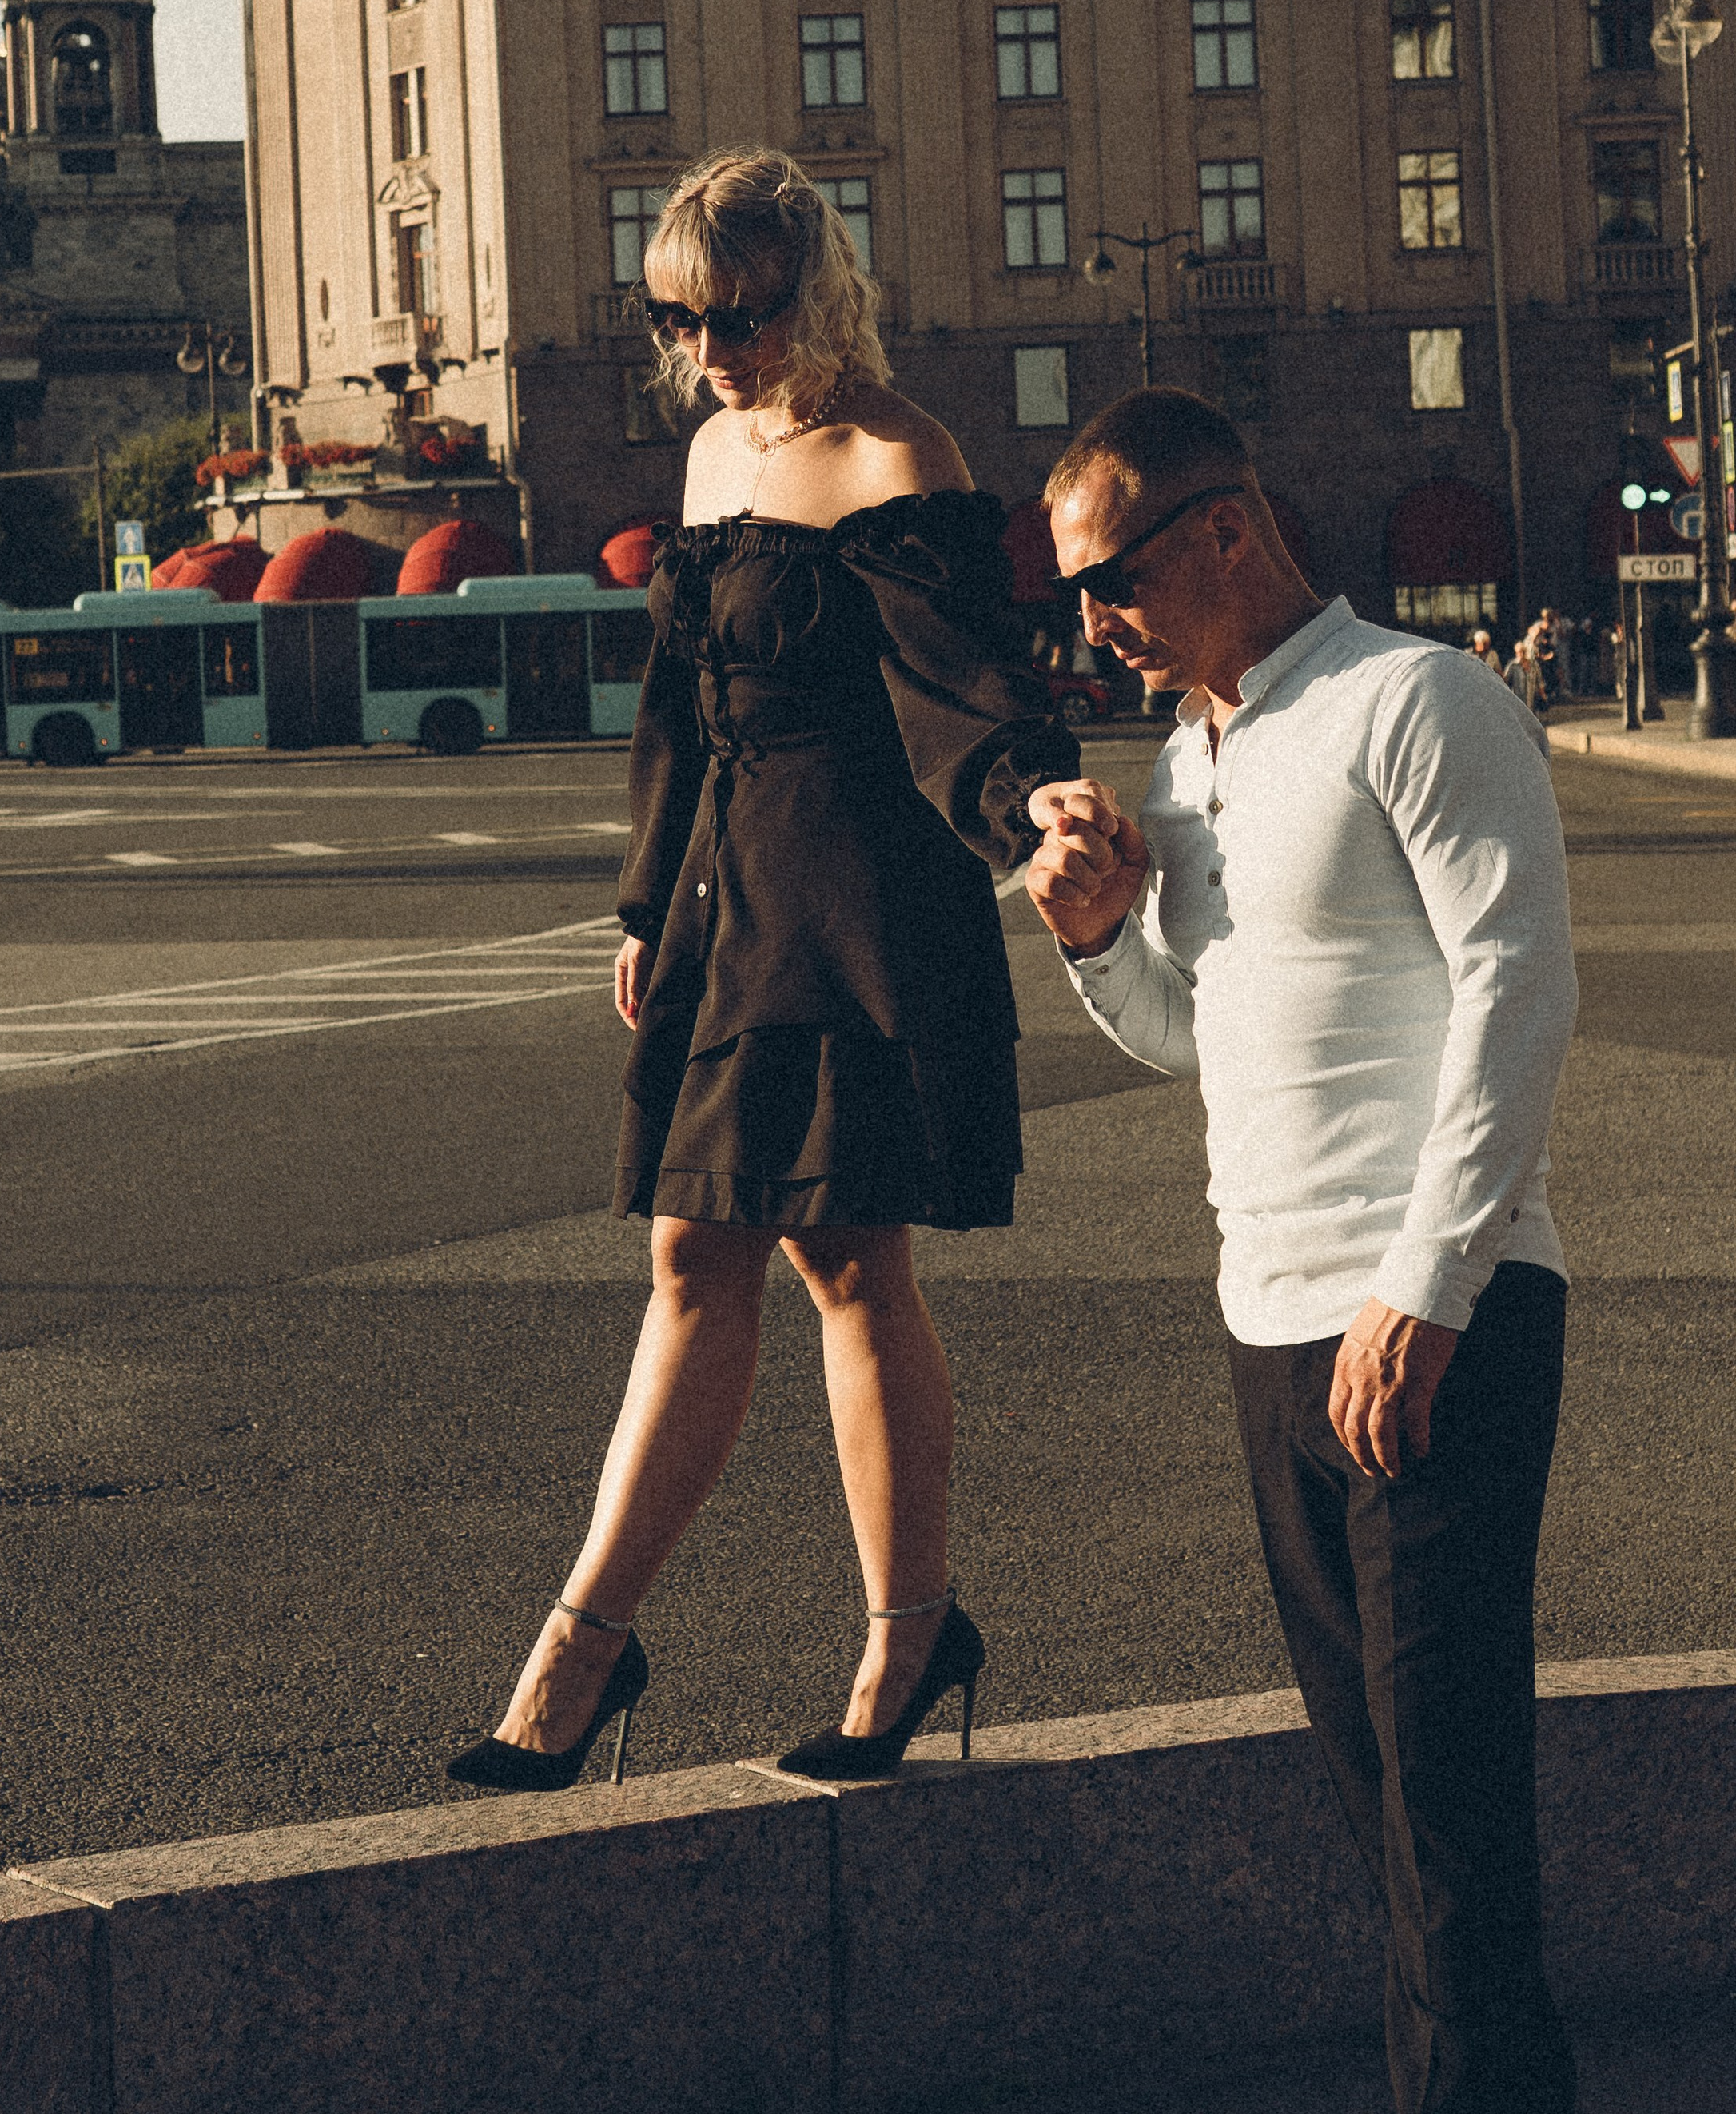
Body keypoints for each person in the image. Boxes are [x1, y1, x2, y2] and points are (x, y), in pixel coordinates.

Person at [447, 151, 1081, 1793]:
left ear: (819, 283)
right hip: (732, 902)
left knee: (850, 1263)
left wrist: (1033, 806)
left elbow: (959, 686)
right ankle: (588, 1644)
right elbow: (677, 708)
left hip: (864, 900)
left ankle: (898, 1634)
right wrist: (645, 906)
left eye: (740, 316)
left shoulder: (896, 452)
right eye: (679, 323)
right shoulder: (713, 449)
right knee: (687, 1256)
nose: (713, 354)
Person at [1025, 388, 1577, 2114]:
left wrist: (1421, 1286)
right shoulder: (1186, 764)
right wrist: (1099, 941)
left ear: (1222, 527)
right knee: (1385, 1826)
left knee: (1450, 1825)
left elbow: (1516, 989)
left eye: (1107, 578)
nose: (1090, 626)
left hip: (1434, 1308)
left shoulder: (1416, 699)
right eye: (1072, 592)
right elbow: (1203, 1034)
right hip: (1266, 1321)